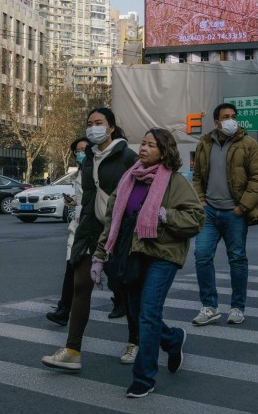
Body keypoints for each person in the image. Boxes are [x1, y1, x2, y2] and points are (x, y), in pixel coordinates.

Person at [92, 128, 205, 398]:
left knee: (149, 311)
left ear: (164, 151)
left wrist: (168, 215)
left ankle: (144, 378)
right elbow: (113, 220)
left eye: (151, 145)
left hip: (162, 254)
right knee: (138, 312)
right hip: (131, 255)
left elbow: (197, 218)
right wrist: (99, 255)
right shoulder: (129, 179)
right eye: (143, 143)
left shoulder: (175, 182)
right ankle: (173, 338)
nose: (144, 148)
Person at [42, 108, 136, 371]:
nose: (93, 128)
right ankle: (73, 350)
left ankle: (138, 341)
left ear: (111, 128)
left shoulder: (127, 157)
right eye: (89, 123)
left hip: (120, 233)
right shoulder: (88, 160)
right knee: (81, 286)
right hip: (92, 232)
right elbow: (87, 198)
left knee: (126, 291)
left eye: (99, 123)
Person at [192, 103, 258, 326]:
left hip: (235, 212)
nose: (231, 120)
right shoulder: (204, 143)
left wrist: (242, 207)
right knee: (202, 256)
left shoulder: (249, 144)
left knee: (237, 258)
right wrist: (201, 201)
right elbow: (196, 176)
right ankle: (209, 306)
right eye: (226, 117)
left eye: (234, 116)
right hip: (209, 212)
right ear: (216, 122)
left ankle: (237, 307)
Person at [47, 137, 90, 327]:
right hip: (78, 227)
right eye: (77, 151)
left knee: (111, 274)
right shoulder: (81, 172)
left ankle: (122, 302)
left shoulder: (97, 170)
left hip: (92, 228)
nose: (80, 153)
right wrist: (74, 202)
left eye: (84, 149)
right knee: (71, 269)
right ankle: (64, 309)